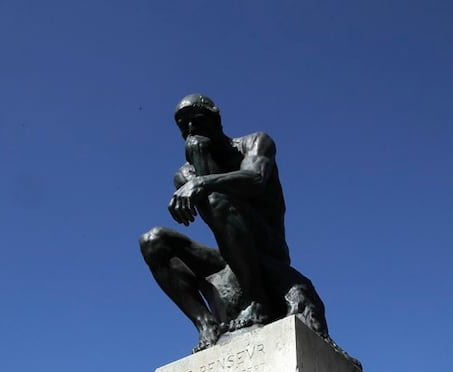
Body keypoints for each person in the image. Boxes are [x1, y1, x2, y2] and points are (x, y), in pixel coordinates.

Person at [140, 93, 330, 352]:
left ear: (216, 118)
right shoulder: (185, 174)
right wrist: (198, 165)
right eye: (183, 126)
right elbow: (213, 212)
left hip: (267, 247)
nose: (191, 129)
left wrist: (202, 182)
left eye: (196, 120)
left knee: (218, 199)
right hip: (230, 257)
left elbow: (255, 180)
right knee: (153, 241)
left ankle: (258, 301)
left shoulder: (255, 142)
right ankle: (206, 324)